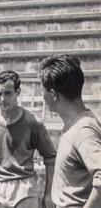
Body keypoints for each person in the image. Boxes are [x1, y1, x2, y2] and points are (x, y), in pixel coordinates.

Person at [0, 70, 57, 208]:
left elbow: (51, 158)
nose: (3, 99)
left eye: (8, 93)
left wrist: (48, 194)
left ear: (18, 92)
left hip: (24, 189)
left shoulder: (33, 122)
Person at [38, 54, 101, 208]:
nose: (42, 97)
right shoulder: (78, 124)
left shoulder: (83, 130)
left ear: (53, 95)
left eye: (43, 91)